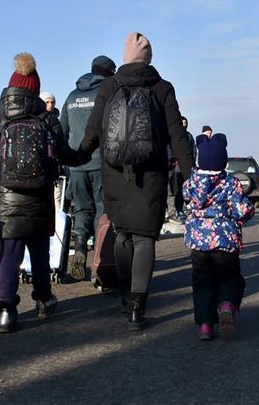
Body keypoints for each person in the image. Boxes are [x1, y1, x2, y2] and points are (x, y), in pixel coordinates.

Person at [75, 32, 195, 330]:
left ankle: (124, 296)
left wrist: (76, 156)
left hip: (114, 171)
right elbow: (177, 135)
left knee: (123, 234)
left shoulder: (109, 85)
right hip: (151, 174)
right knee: (144, 238)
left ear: (125, 56)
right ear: (149, 58)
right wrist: (191, 175)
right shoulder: (162, 87)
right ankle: (137, 308)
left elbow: (93, 132)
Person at [0, 52, 85, 333]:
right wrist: (87, 151)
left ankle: (6, 311)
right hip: (39, 199)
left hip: (6, 201)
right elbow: (66, 155)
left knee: (10, 256)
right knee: (39, 252)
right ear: (35, 89)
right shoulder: (46, 119)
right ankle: (43, 300)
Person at [183, 133, 255, 340]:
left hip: (198, 242)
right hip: (225, 239)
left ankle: (205, 325)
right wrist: (243, 217)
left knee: (202, 282)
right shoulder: (230, 182)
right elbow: (242, 210)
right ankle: (226, 305)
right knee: (229, 277)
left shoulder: (191, 183)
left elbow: (185, 200)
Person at [60, 55, 117, 278]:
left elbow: (62, 131)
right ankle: (99, 262)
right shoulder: (106, 94)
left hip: (76, 166)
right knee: (102, 210)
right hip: (101, 163)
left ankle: (80, 249)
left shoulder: (71, 97)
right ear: (108, 73)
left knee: (82, 210)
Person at [169, 116, 195, 223]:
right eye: (182, 123)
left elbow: (193, 150)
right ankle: (172, 211)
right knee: (173, 191)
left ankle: (180, 210)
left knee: (183, 190)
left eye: (185, 123)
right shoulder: (172, 135)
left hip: (185, 167)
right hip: (174, 167)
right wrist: (171, 160)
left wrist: (192, 164)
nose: (184, 125)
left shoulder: (189, 136)